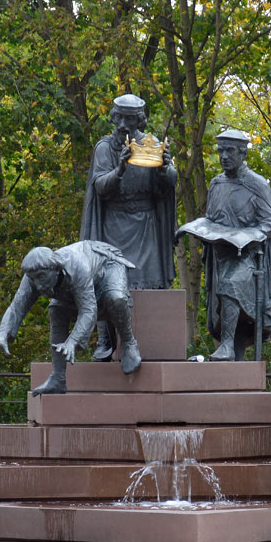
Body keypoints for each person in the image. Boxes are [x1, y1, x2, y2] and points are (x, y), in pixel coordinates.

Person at [80, 94, 177, 361]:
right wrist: (120, 169)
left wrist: (164, 168)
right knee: (107, 282)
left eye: (130, 119)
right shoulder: (105, 148)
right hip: (113, 225)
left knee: (148, 286)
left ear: (139, 120)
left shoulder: (152, 144)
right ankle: (105, 340)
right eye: (120, 118)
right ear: (113, 117)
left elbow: (169, 183)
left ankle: (152, 341)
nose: (123, 124)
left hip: (145, 225)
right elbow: (100, 186)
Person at [0, 240, 142, 394]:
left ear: (55, 269)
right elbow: (16, 307)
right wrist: (2, 335)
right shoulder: (32, 274)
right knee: (56, 310)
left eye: (42, 277)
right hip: (79, 286)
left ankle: (129, 343)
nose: (38, 285)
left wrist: (73, 341)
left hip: (108, 265)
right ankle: (58, 379)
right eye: (33, 279)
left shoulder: (78, 266)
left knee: (115, 298)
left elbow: (88, 310)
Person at [202, 129, 271, 361]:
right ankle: (230, 352)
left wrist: (244, 236)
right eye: (221, 151)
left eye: (230, 151)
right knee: (220, 296)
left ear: (243, 153)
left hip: (248, 258)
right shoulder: (216, 184)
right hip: (220, 257)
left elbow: (269, 223)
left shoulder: (257, 185)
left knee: (231, 284)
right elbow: (209, 220)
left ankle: (226, 347)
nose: (224, 156)